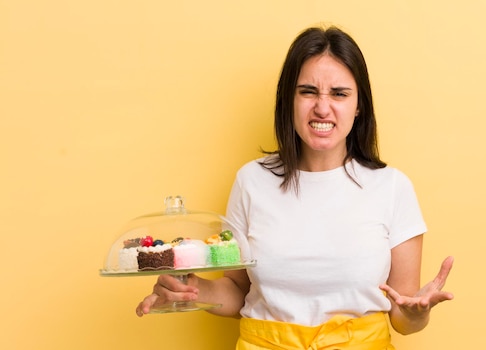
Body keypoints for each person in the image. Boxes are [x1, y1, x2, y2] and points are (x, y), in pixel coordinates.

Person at [137, 25, 454, 349]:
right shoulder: (251, 181)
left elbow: (403, 315)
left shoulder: (392, 188)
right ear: (289, 98)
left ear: (359, 105)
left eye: (339, 93)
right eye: (308, 91)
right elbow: (238, 289)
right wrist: (190, 289)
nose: (322, 107)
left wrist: (417, 312)